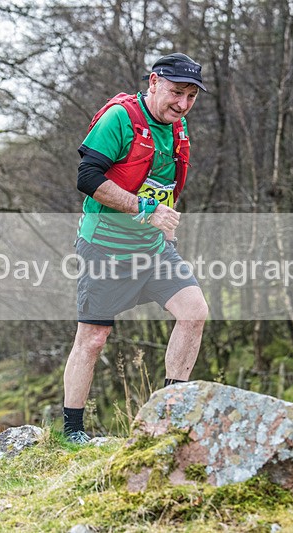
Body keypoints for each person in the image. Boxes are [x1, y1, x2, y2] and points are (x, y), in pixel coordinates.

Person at [63, 53, 209, 444]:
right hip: (105, 248)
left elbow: (163, 183)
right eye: (177, 93)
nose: (182, 104)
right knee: (92, 339)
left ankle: (166, 417)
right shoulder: (120, 119)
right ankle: (72, 431)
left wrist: (166, 225)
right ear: (154, 82)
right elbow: (87, 177)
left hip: (154, 250)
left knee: (194, 313)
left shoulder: (179, 128)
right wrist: (145, 209)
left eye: (191, 97)